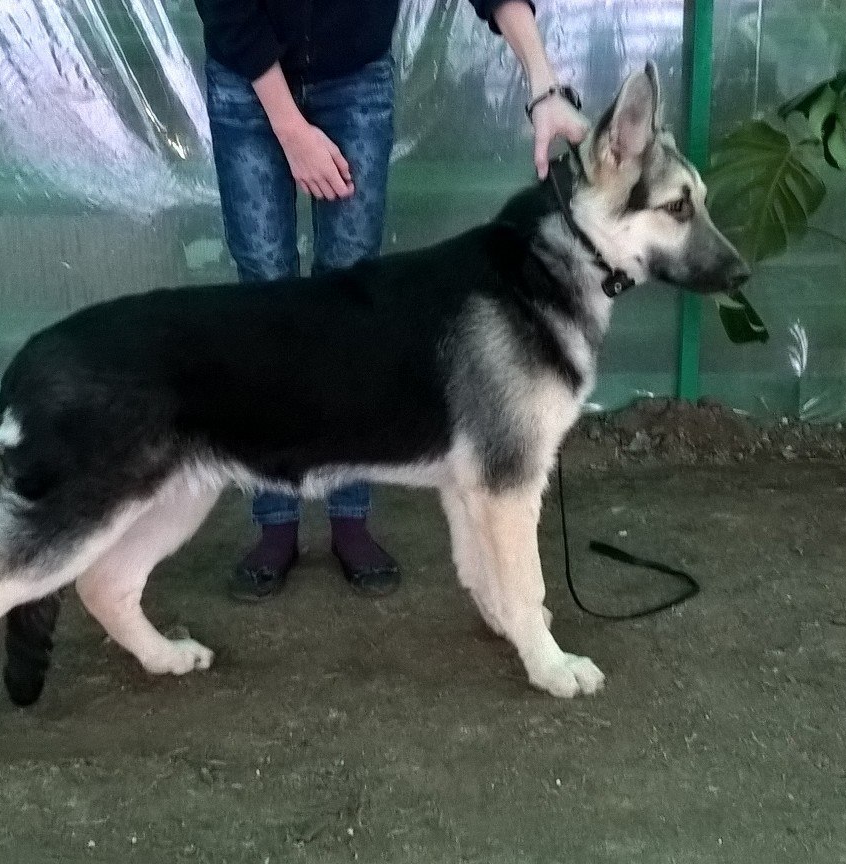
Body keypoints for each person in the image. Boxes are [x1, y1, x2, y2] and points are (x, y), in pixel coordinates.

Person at [194, 0, 589, 603]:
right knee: (266, 297)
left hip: (354, 76)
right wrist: (290, 127)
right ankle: (276, 519)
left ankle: (350, 514)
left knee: (354, 303)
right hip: (248, 83)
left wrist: (543, 84)